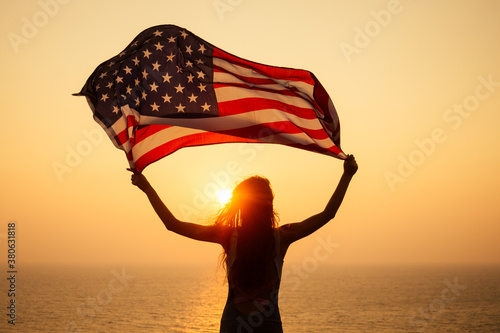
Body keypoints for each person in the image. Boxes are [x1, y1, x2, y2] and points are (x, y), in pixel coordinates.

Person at [128, 155, 358, 332]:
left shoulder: (229, 236)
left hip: (233, 324)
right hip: (268, 323)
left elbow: (173, 224)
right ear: (269, 205)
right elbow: (328, 214)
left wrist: (147, 188)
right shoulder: (282, 236)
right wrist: (347, 175)